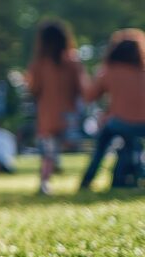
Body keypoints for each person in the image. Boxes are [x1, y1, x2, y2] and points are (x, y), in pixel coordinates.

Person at [78, 29, 145, 191]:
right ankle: (134, 176)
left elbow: (89, 96)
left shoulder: (109, 71)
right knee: (131, 144)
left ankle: (87, 181)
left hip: (119, 122)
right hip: (143, 124)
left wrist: (81, 75)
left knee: (101, 146)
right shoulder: (142, 72)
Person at [25, 20, 85, 194]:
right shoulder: (73, 61)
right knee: (73, 147)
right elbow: (81, 88)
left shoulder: (39, 64)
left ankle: (45, 181)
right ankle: (81, 180)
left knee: (49, 153)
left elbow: (33, 89)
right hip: (69, 114)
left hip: (48, 115)